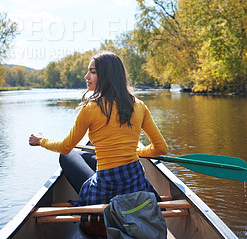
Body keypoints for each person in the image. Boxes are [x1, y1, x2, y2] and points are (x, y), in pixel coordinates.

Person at [29, 51, 168, 206]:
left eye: (92, 72)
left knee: (67, 156)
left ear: (107, 76)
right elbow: (161, 148)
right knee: (84, 155)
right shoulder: (139, 106)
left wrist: (41, 141)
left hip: (105, 192)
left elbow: (65, 147)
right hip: (135, 185)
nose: (86, 76)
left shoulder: (90, 108)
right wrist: (137, 152)